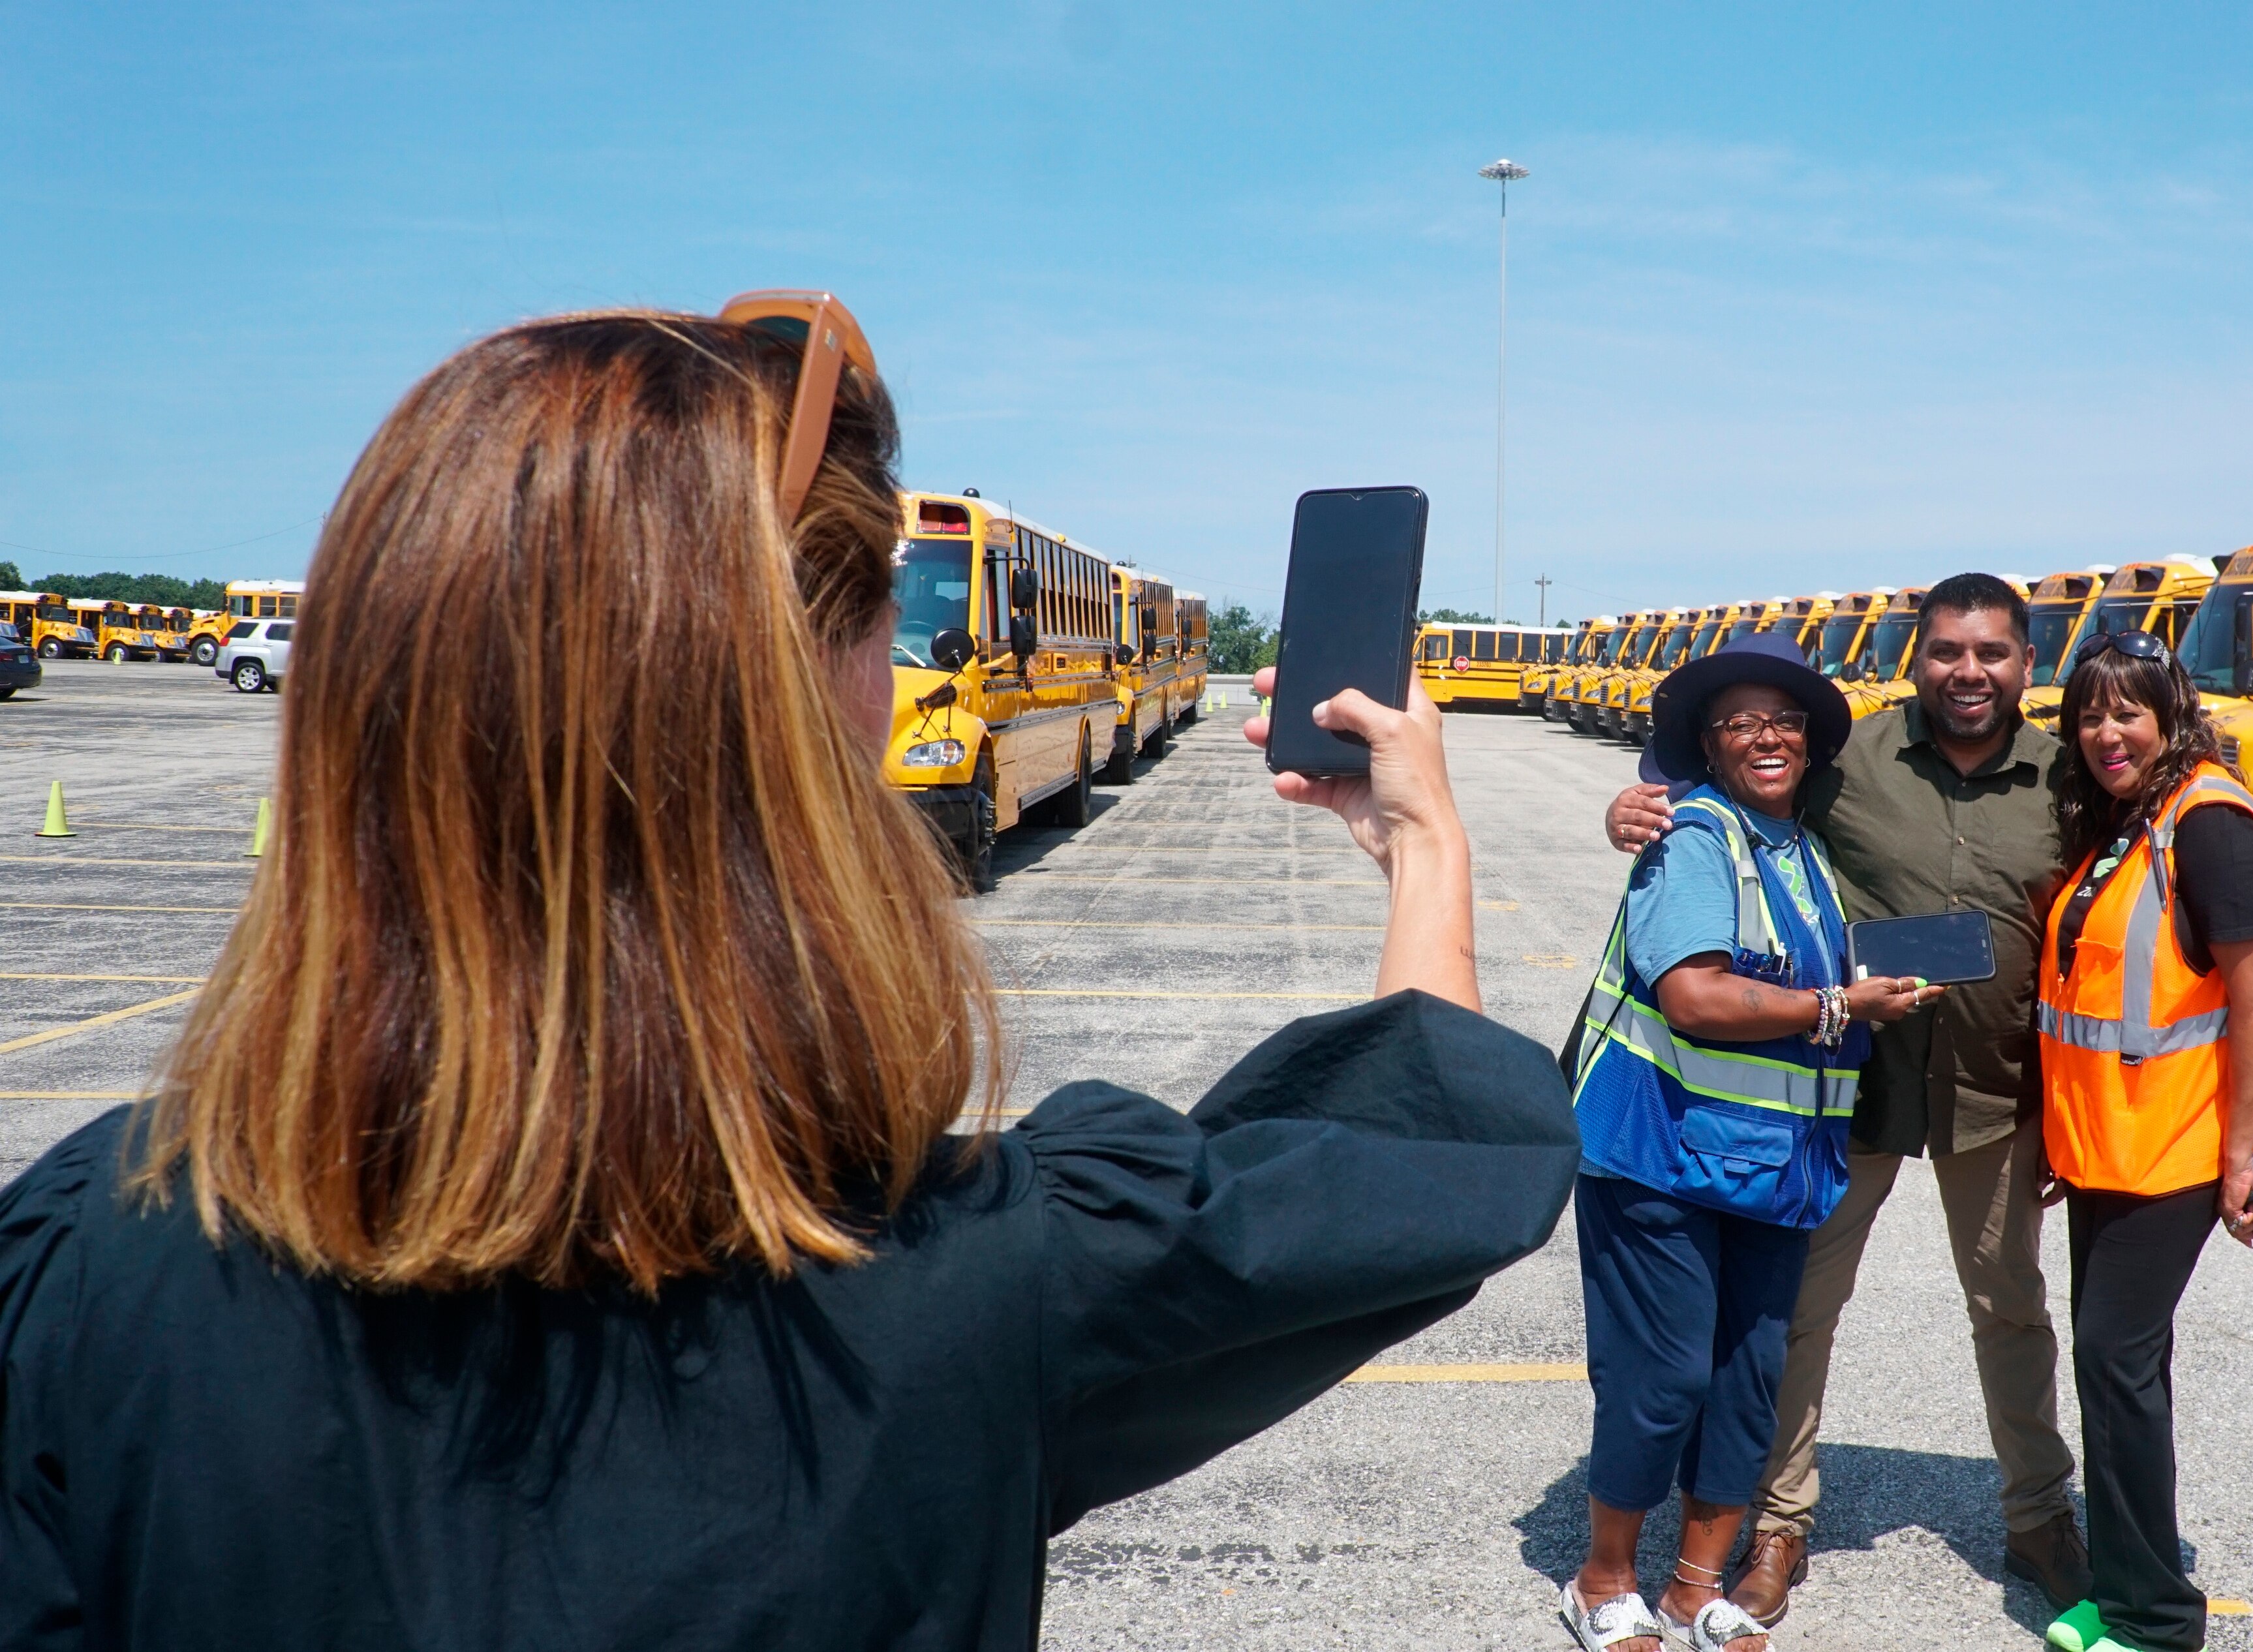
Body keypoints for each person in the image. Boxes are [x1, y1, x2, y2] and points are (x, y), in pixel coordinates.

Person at [0, 298, 1579, 1651]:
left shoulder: (91, 1262)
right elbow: (1426, 1156)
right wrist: (1420, 848)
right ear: (795, 712)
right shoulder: (977, 1276)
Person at [1604, 574, 2089, 1623]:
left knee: (2010, 1308)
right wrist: (1630, 806)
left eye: (1993, 654)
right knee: (1797, 1315)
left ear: (2026, 664)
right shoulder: (1848, 760)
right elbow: (1728, 785)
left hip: (1997, 1091)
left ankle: (2041, 1517)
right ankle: (1777, 1522)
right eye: (1949, 652)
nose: (1970, 673)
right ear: (1917, 658)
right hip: (1846, 1090)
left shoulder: (2067, 777)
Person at [1561, 634, 1937, 1652]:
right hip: (1665, 1157)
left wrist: (1877, 993)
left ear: (1810, 742)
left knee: (1746, 1378)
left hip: (1772, 1166)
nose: (1765, 737)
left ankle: (1694, 1587)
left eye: (1783, 721)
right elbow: (1693, 996)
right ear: (1709, 745)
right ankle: (1600, 1580)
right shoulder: (1696, 838)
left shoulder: (1803, 852)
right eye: (1740, 723)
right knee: (1663, 1375)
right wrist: (1836, 1006)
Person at [2032, 627, 2253, 1652]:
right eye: (2090, 714)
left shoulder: (2211, 824)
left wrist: (2241, 1154)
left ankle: (2154, 1618)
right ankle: (2125, 1580)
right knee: (2118, 1367)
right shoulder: (2124, 821)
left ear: (2171, 715)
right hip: (2104, 1150)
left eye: (2127, 711)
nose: (2107, 732)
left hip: (2175, 1153)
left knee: (2114, 1358)